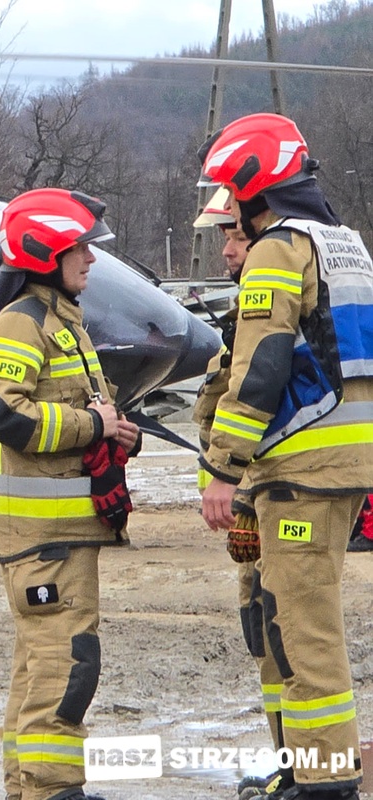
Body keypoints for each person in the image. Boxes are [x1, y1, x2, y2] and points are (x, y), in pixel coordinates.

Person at [198, 112, 373, 800]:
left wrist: (222, 467)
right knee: (295, 621)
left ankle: (327, 783)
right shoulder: (347, 244)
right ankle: (308, 773)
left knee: (304, 634)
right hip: (346, 463)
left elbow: (263, 365)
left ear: (253, 186)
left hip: (301, 468)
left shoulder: (278, 246)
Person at [0, 188, 141, 800]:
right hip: (44, 539)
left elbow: (79, 410)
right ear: (47, 252)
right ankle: (53, 790)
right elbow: (1, 413)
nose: (91, 259)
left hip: (60, 534)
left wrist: (114, 430)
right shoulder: (26, 321)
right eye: (81, 248)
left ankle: (31, 789)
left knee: (37, 667)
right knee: (66, 665)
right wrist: (93, 425)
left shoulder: (62, 322)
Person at [192, 187, 288, 799]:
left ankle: (309, 771)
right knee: (265, 640)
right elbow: (212, 416)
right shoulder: (243, 325)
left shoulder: (277, 319)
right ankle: (291, 763)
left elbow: (268, 412)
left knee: (287, 638)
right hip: (252, 515)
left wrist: (242, 493)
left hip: (280, 505)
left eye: (235, 237)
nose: (226, 251)